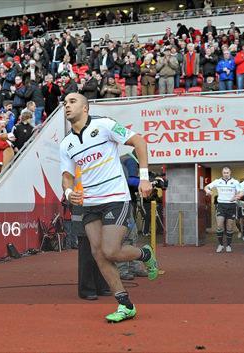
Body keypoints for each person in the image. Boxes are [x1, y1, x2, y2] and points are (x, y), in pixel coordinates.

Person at [59, 93, 158, 323]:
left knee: (111, 250)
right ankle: (125, 305)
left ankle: (145, 254)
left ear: (85, 108)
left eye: (72, 102)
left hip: (115, 197)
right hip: (89, 203)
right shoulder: (66, 144)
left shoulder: (104, 125)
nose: (67, 106)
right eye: (65, 103)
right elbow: (66, 175)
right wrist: (68, 192)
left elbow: (139, 142)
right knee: (97, 253)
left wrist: (144, 178)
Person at [204, 166, 241, 253]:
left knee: (229, 226)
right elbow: (206, 187)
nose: (226, 174)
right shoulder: (217, 181)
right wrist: (208, 191)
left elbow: (240, 192)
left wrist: (236, 196)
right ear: (222, 173)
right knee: (219, 225)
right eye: (224, 173)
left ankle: (228, 245)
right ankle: (220, 245)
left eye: (227, 173)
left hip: (231, 205)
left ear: (230, 173)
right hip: (221, 205)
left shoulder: (235, 182)